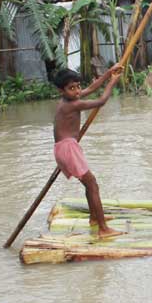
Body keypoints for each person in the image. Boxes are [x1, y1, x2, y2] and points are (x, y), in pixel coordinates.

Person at [53, 65, 125, 238]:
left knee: (89, 184)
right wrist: (113, 82)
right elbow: (101, 101)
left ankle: (94, 218)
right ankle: (103, 229)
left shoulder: (69, 99)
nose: (77, 91)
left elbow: (92, 88)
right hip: (68, 148)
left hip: (65, 147)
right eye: (72, 88)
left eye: (78, 86)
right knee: (92, 184)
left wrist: (108, 73)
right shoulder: (72, 105)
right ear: (61, 90)